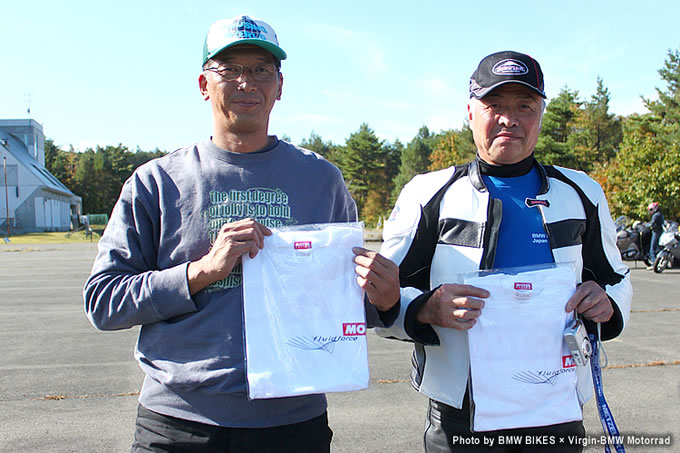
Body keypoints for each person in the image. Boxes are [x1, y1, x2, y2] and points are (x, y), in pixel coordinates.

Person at [83, 15, 359, 453]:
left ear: (280, 85)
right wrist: (202, 271)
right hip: (177, 424)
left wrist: (381, 296)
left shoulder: (322, 180)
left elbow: (351, 296)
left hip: (292, 423)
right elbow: (104, 302)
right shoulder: (157, 182)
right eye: (229, 69)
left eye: (260, 70)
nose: (246, 82)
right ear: (203, 83)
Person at [359, 51, 633, 452]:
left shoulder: (582, 193)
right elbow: (382, 300)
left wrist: (607, 303)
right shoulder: (427, 193)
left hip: (556, 408)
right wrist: (425, 309)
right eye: (495, 105)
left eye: (525, 106)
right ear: (470, 111)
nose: (510, 119)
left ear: (540, 112)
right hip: (460, 417)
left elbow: (616, 278)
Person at [647, 201, 664, 266]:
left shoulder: (656, 215)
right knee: (658, 248)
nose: (650, 211)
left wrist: (644, 224)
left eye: (651, 209)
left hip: (656, 232)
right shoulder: (660, 214)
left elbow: (652, 224)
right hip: (659, 231)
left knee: (652, 249)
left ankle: (654, 263)